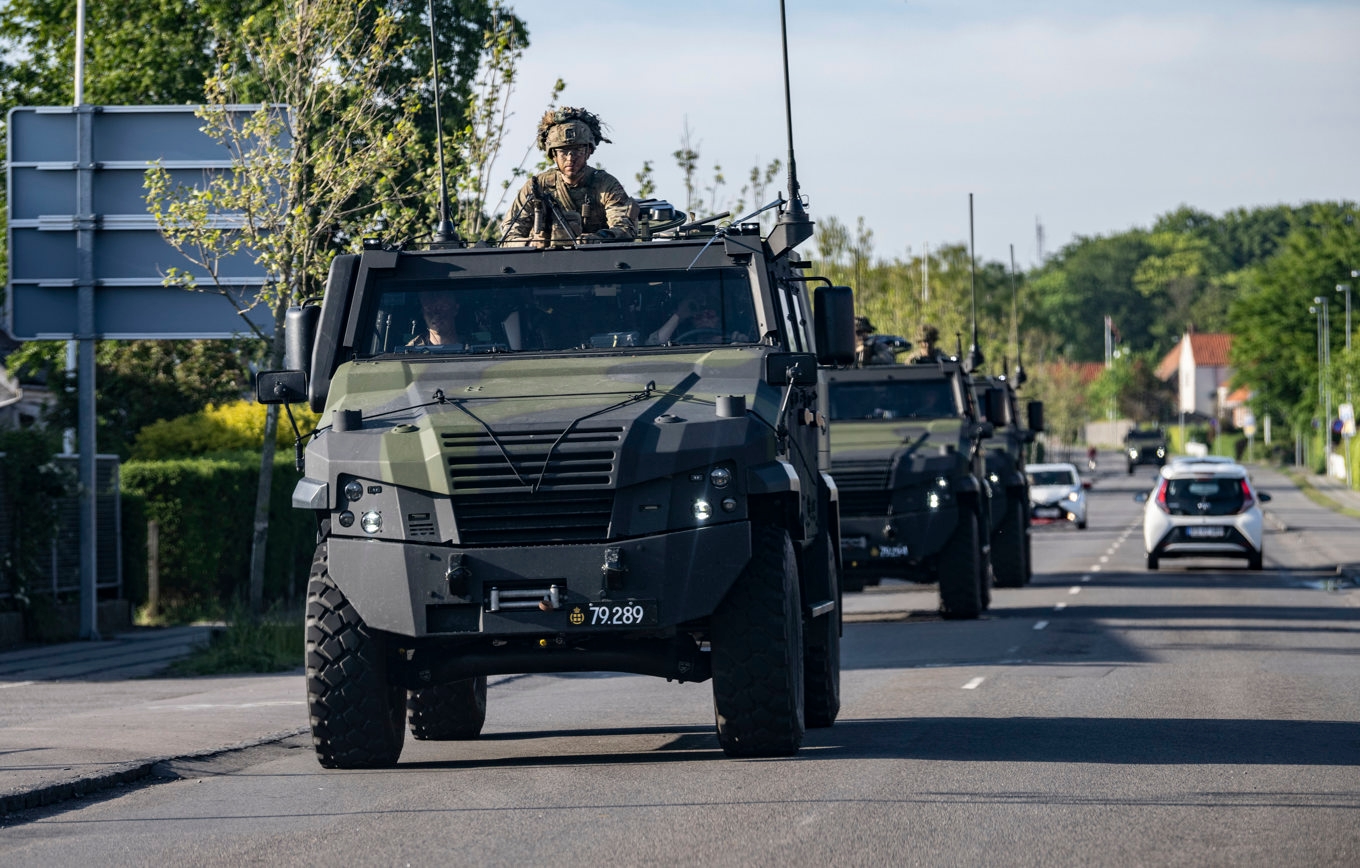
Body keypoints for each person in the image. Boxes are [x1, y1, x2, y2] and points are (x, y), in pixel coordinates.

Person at [500, 107, 638, 247]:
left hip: (596, 261)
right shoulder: (537, 186)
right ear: (553, 155)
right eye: (563, 151)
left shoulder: (605, 185)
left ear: (588, 151)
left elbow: (625, 228)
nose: (570, 158)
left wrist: (598, 238)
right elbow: (508, 236)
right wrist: (531, 243)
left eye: (577, 150)